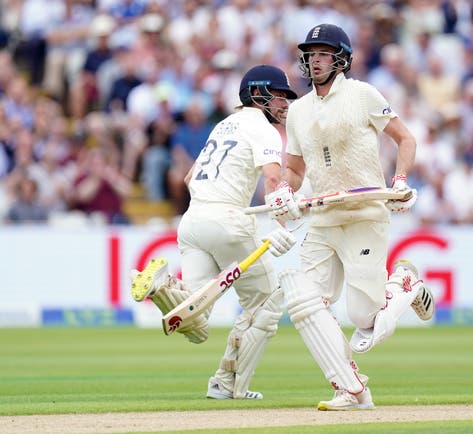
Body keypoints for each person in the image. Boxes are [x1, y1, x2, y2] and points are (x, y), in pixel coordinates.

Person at [265, 24, 435, 411]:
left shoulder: (362, 95)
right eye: (311, 54)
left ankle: (404, 281)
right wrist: (284, 193)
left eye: (324, 53)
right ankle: (349, 386)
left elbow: (405, 138)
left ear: (341, 58)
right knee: (306, 303)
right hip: (323, 218)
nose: (316, 60)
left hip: (363, 214)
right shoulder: (299, 111)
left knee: (364, 322)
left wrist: (401, 179)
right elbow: (293, 169)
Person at [130, 65, 299, 400]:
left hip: (192, 222)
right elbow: (272, 181)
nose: (284, 103)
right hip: (228, 221)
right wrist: (279, 225)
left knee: (195, 323)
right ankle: (232, 385)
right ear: (257, 94)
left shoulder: (222, 125)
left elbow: (189, 178)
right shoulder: (263, 129)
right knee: (266, 302)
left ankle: (164, 287)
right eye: (278, 95)